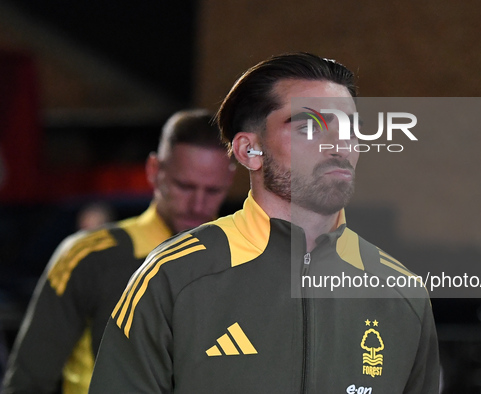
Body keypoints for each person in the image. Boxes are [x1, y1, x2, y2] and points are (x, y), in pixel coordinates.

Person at [89, 53, 439, 393]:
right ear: (248, 151)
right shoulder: (173, 277)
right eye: (309, 126)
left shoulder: (402, 294)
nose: (339, 145)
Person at [1, 109, 236, 394]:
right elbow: (27, 384)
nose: (198, 204)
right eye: (184, 186)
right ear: (154, 170)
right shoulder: (90, 257)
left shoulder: (239, 266)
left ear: (230, 181)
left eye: (213, 191)